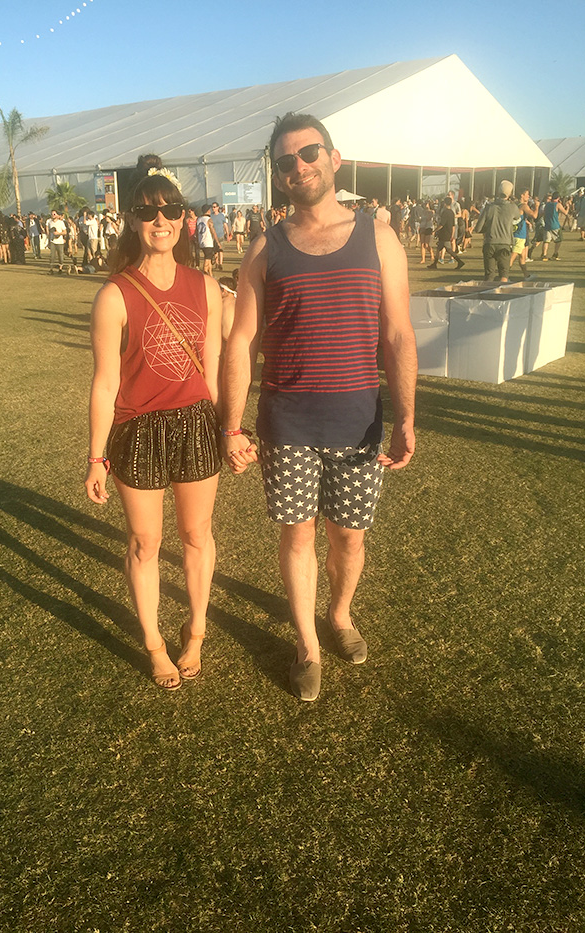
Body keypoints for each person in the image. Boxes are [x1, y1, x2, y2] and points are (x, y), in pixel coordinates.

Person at [221, 112, 417, 702]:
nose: (299, 167)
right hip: (286, 421)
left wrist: (407, 417)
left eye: (309, 154)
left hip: (359, 420)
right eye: (286, 162)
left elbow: (399, 334)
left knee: (350, 537)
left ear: (333, 158)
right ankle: (308, 643)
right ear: (278, 176)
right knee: (298, 536)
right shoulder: (266, 247)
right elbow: (240, 341)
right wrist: (231, 424)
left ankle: (340, 615)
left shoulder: (379, 238)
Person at [84, 167, 222, 691]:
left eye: (168, 210)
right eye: (147, 211)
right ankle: (153, 643)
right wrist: (96, 457)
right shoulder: (115, 295)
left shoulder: (207, 288)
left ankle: (196, 631)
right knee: (145, 542)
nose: (158, 220)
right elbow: (104, 383)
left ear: (185, 219)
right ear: (134, 221)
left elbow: (211, 372)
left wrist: (227, 430)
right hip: (137, 431)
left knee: (195, 535)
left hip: (195, 425)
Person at [473, 181, 521, 282]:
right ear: (510, 193)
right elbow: (517, 218)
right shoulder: (513, 207)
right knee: (504, 273)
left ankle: (488, 295)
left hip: (489, 243)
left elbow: (477, 228)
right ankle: (501, 295)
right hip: (505, 243)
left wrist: (488, 228)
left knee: (489, 275)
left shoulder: (489, 207)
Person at [428, 197, 465, 271]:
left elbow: (442, 224)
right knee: (439, 248)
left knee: (448, 249)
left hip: (444, 233)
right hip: (449, 232)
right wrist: (452, 234)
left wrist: (435, 230)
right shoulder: (452, 212)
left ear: (444, 203)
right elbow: (453, 225)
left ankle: (460, 261)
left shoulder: (445, 212)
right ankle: (434, 264)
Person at [196, 204, 220, 276]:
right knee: (207, 259)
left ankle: (210, 274)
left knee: (209, 259)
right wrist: (217, 242)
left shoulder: (199, 219)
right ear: (208, 211)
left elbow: (196, 231)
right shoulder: (209, 219)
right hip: (208, 242)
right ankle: (205, 273)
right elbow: (213, 231)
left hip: (201, 241)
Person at [46, 210, 67, 274]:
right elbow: (49, 232)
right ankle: (51, 269)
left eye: (54, 214)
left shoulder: (61, 222)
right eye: (52, 214)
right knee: (52, 255)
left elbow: (65, 232)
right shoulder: (50, 222)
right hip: (53, 241)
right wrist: (49, 241)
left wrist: (59, 233)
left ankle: (60, 269)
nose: (53, 215)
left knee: (60, 256)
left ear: (57, 215)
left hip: (60, 241)